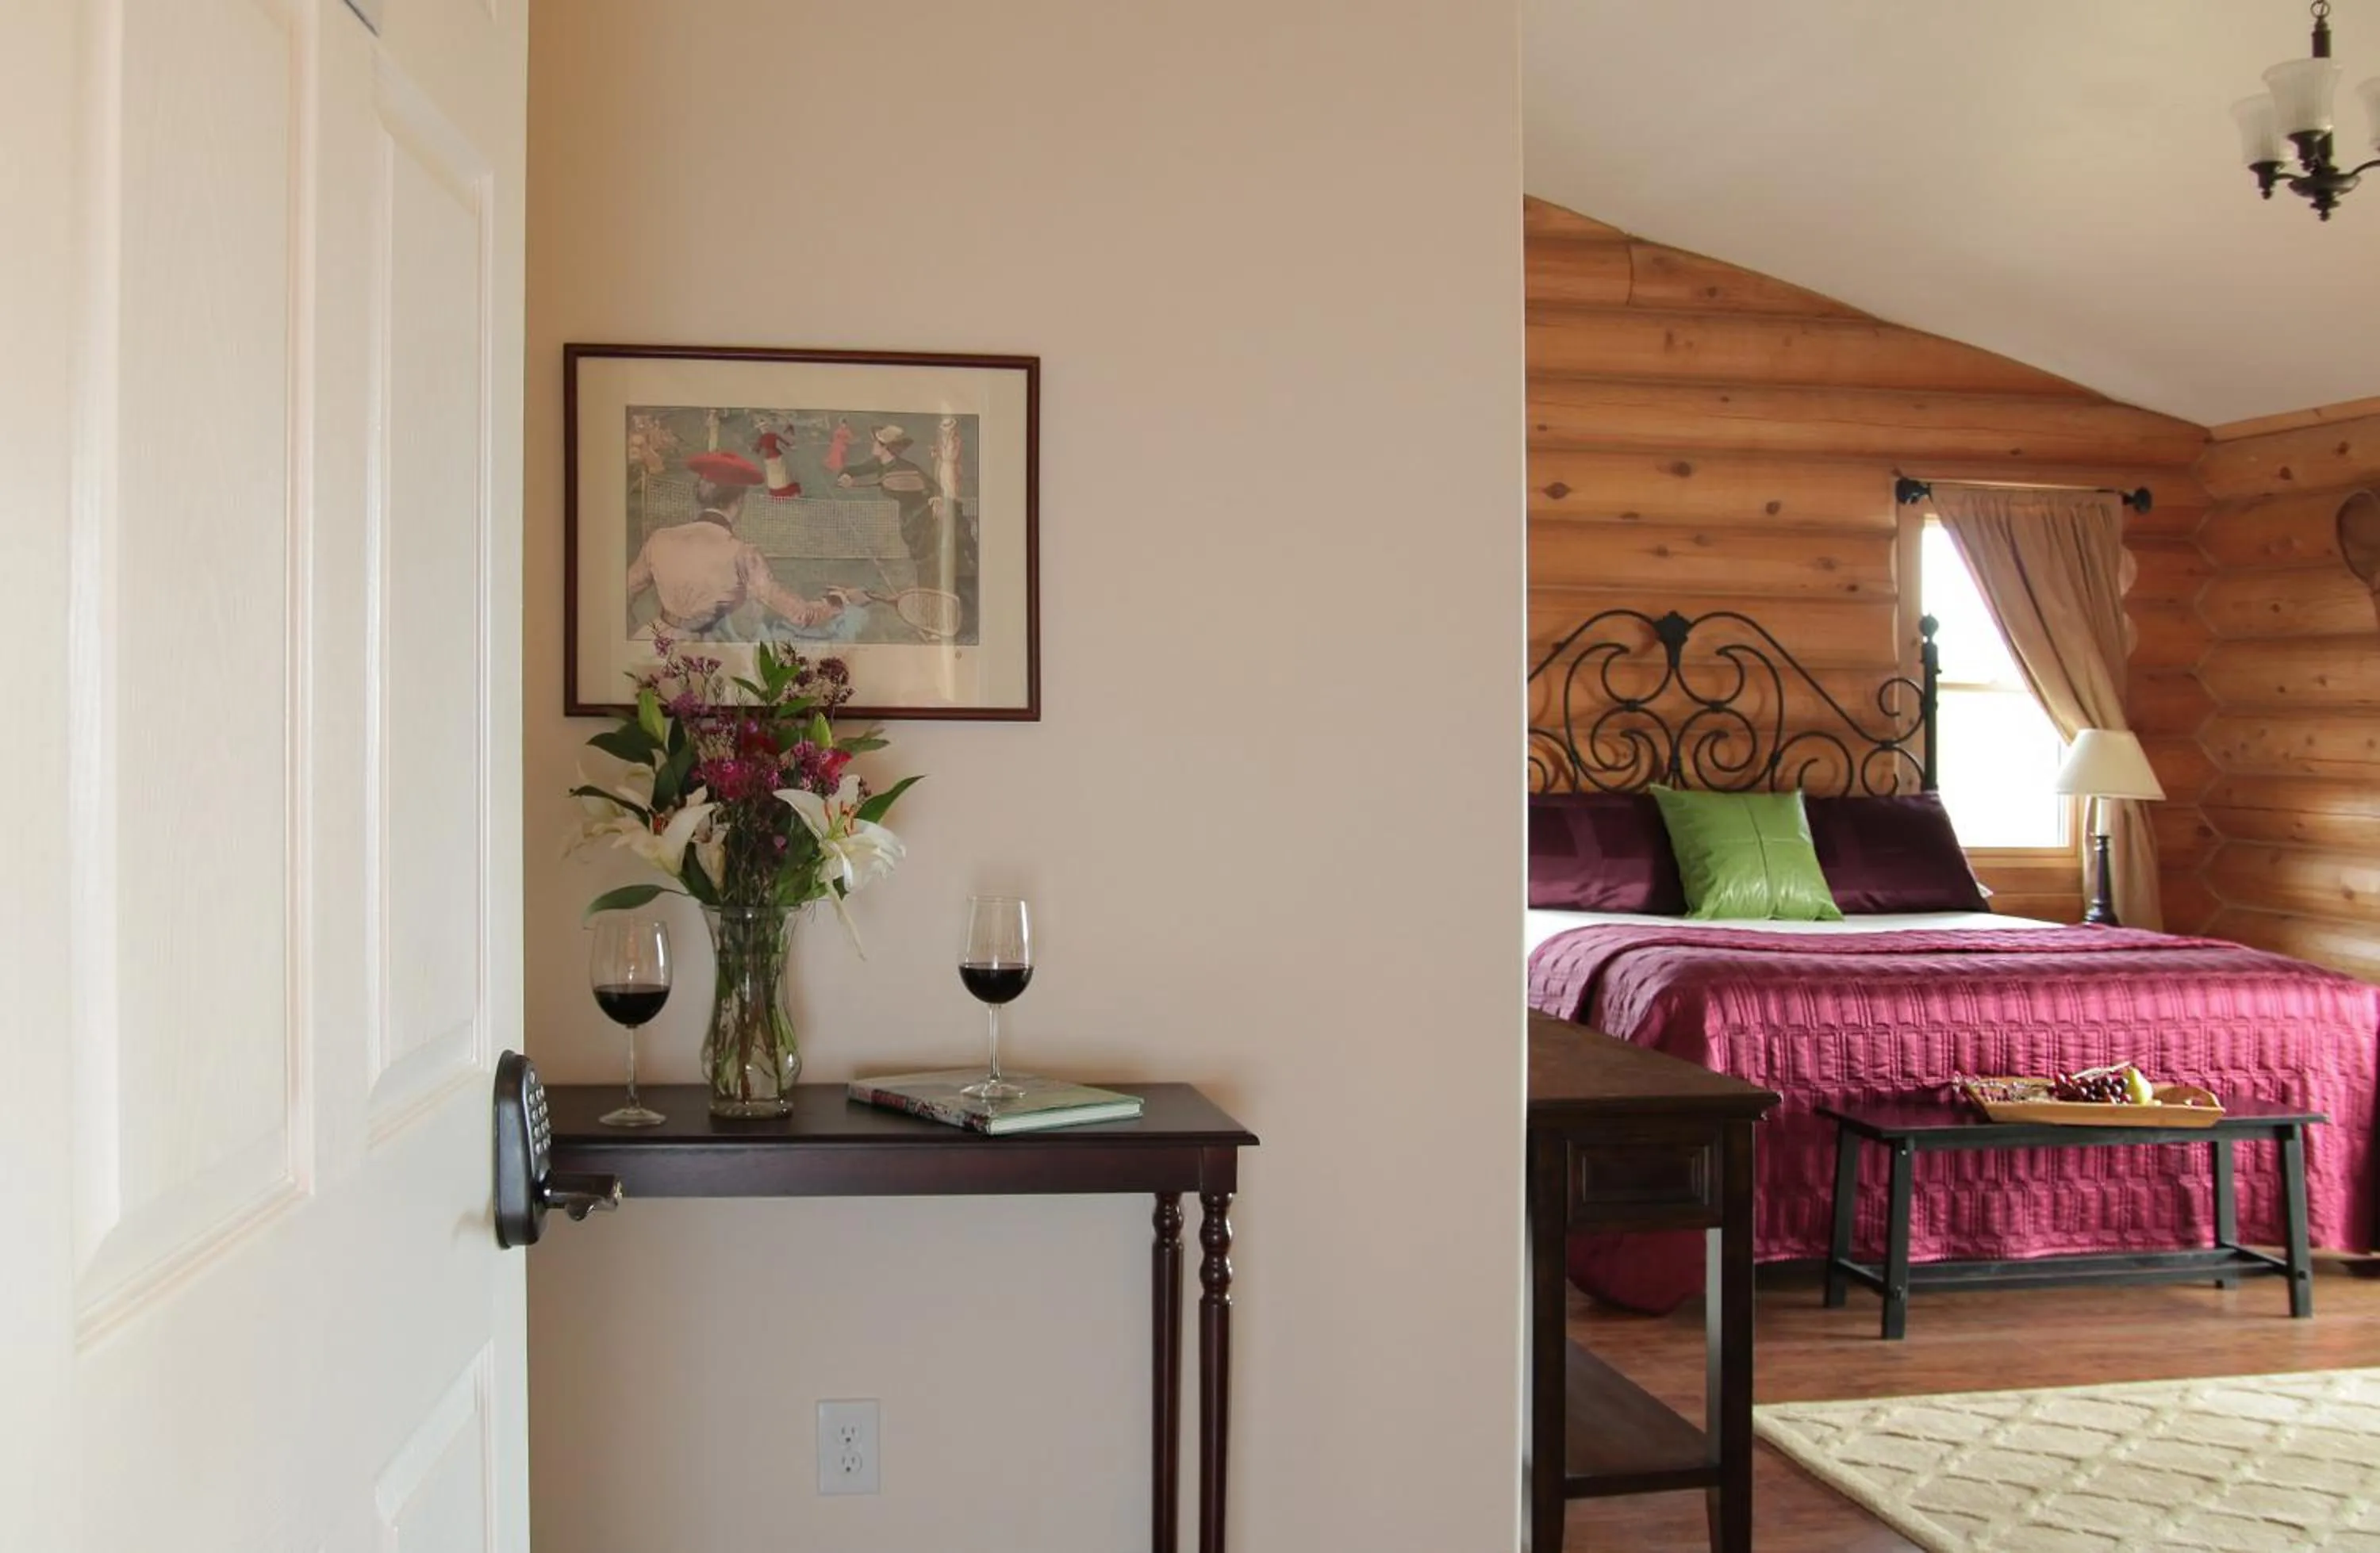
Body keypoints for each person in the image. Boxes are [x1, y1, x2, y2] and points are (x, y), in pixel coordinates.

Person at [624, 449, 843, 639]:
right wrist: (836, 603)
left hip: (653, 641)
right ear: (739, 501)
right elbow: (800, 614)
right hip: (707, 652)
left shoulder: (659, 539)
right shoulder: (743, 554)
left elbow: (624, 591)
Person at [835, 424, 954, 595]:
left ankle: (929, 595)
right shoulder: (882, 463)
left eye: (876, 443)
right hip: (908, 517)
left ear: (886, 448)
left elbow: (933, 487)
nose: (873, 445)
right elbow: (855, 469)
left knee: (925, 559)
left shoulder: (906, 468)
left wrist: (937, 501)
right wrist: (846, 475)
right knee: (919, 557)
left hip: (922, 518)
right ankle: (926, 591)